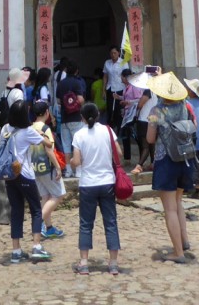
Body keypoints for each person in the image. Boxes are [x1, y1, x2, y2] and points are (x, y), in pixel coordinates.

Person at [146, 71, 194, 264]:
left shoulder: (156, 112)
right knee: (179, 202)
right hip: (185, 157)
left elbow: (150, 138)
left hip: (165, 159)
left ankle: (178, 252)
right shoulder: (185, 107)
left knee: (170, 209)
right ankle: (184, 240)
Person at [70, 101, 121, 276]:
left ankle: (84, 262)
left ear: (82, 118)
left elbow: (76, 162)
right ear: (98, 115)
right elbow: (119, 154)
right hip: (107, 181)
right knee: (110, 222)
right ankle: (113, 263)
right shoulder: (108, 131)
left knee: (86, 223)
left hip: (88, 183)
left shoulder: (79, 135)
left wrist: (71, 162)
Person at [0, 100, 52, 264]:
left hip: (9, 175)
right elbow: (48, 144)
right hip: (25, 174)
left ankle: (16, 251)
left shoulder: (5, 129)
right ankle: (36, 246)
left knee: (16, 211)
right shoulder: (28, 131)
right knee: (36, 209)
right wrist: (43, 136)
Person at [28, 99, 65, 238]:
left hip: (35, 167)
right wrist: (58, 167)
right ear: (47, 112)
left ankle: (49, 228)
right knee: (59, 194)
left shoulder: (31, 128)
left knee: (46, 196)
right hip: (47, 168)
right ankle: (39, 225)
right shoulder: (45, 129)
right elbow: (49, 149)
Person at [56, 62, 87, 177]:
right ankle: (78, 170)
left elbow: (59, 101)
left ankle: (68, 170)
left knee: (66, 145)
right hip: (76, 117)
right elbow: (80, 99)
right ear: (76, 71)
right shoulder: (77, 83)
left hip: (64, 118)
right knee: (77, 144)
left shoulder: (61, 84)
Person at [102, 46, 125, 127]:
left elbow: (126, 76)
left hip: (120, 88)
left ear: (118, 53)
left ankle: (119, 127)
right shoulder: (107, 62)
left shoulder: (123, 62)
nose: (113, 55)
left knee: (119, 110)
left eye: (115, 53)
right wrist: (103, 90)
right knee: (110, 109)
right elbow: (105, 76)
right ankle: (110, 127)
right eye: (111, 53)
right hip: (110, 88)